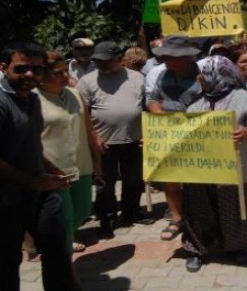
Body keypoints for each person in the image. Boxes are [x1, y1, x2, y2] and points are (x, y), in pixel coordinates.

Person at [0, 42, 78, 291]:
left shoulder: (32, 99)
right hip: (6, 197)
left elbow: (30, 142)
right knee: (7, 261)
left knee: (57, 250)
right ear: (4, 67)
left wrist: (49, 167)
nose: (31, 75)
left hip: (40, 191)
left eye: (37, 69)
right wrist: (31, 181)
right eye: (22, 69)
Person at [181, 56, 247, 272]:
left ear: (215, 74)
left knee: (234, 210)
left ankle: (235, 247)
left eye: (202, 72)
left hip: (233, 169)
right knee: (199, 209)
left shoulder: (244, 99)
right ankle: (196, 249)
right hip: (200, 169)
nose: (198, 77)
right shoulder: (193, 101)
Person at [77, 41, 153, 238]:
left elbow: (146, 107)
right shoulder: (87, 81)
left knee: (134, 179)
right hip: (104, 142)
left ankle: (131, 212)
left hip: (135, 139)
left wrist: (148, 132)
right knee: (105, 183)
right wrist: (94, 137)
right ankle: (107, 218)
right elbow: (83, 113)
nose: (101, 65)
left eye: (106, 61)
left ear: (120, 60)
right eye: (98, 61)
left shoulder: (137, 78)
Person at [36, 51, 102, 253]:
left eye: (65, 70)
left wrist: (97, 161)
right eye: (58, 72)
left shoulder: (74, 94)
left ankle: (55, 240)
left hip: (82, 164)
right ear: (41, 75)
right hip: (54, 170)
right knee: (65, 216)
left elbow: (89, 128)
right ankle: (66, 268)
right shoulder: (32, 99)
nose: (66, 76)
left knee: (82, 210)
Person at [146, 35, 204, 241]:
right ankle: (176, 217)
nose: (166, 60)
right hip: (168, 135)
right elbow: (152, 99)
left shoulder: (203, 76)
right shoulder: (163, 75)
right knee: (171, 179)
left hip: (198, 137)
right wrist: (158, 113)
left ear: (187, 57)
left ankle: (198, 218)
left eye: (171, 56)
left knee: (196, 181)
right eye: (165, 56)